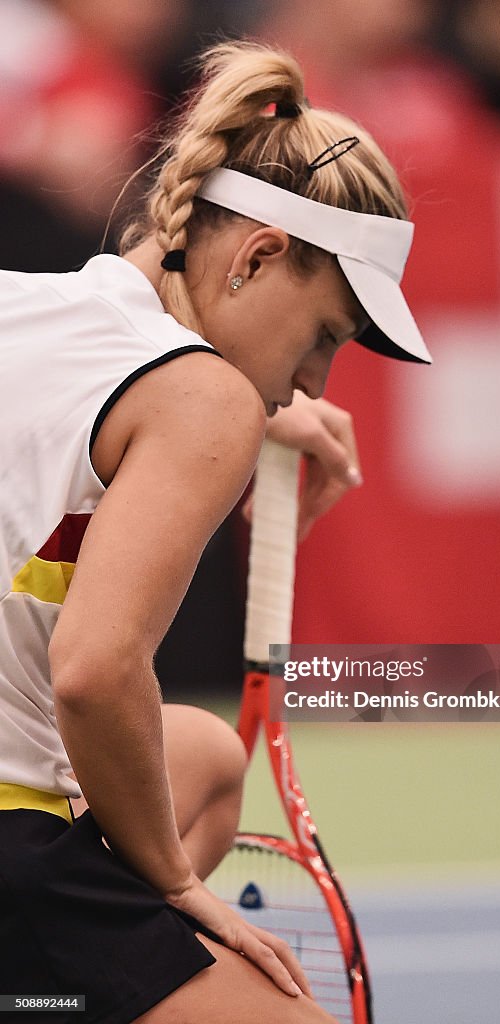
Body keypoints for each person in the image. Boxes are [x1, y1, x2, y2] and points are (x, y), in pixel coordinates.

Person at [0, 39, 430, 1024]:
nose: (316, 381)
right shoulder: (207, 403)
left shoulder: (35, 310)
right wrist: (177, 892)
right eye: (323, 334)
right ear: (260, 255)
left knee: (200, 762)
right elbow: (94, 671)